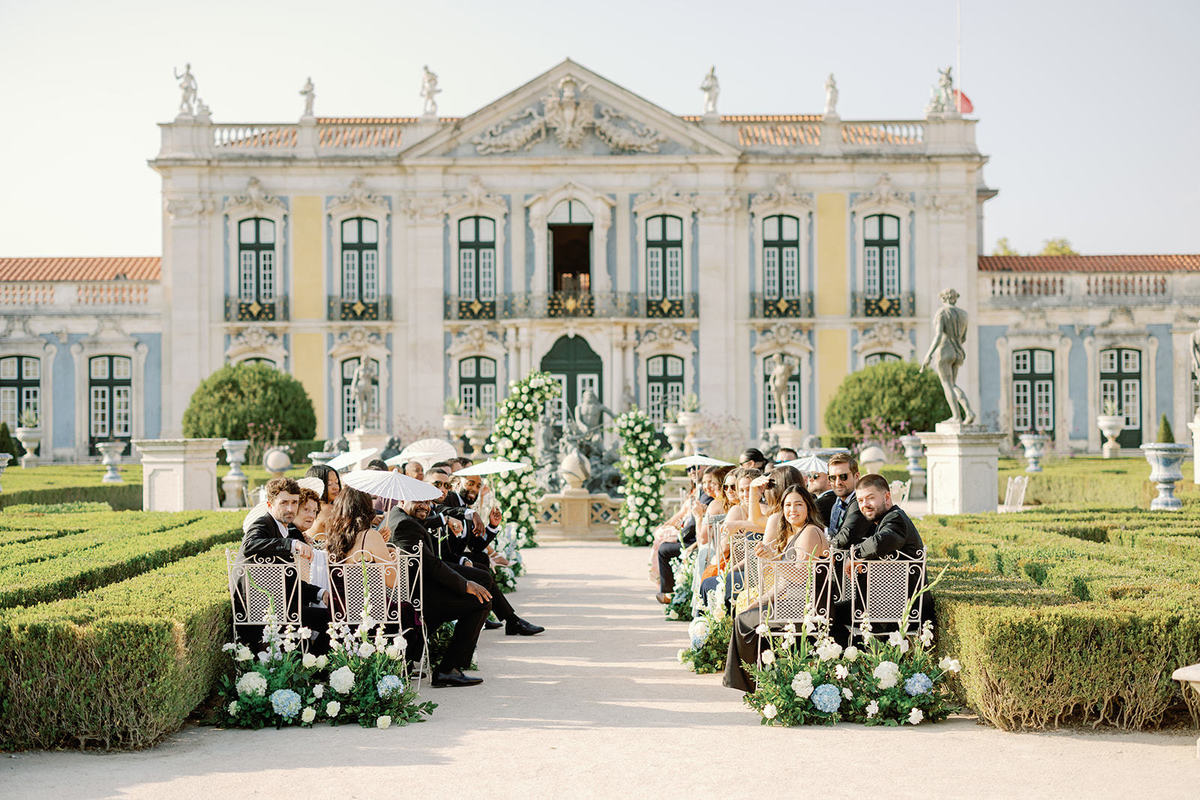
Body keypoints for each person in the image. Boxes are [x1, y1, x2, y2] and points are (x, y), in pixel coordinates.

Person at [724, 485, 829, 692]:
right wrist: (760, 600)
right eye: (788, 505)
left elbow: (801, 577)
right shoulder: (793, 535)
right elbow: (784, 584)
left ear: (808, 507)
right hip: (791, 602)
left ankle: (754, 683)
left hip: (807, 607)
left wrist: (774, 558)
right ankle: (759, 681)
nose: (793, 510)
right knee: (745, 615)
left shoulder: (810, 532)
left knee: (745, 623)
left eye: (798, 504)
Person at [422, 471, 544, 636]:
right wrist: (470, 514)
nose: (474, 489)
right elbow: (445, 511)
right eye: (470, 483)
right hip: (437, 565)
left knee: (481, 560)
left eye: (478, 485)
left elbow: (475, 544)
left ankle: (503, 618)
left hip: (450, 558)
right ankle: (508, 619)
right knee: (482, 573)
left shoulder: (464, 507)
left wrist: (492, 526)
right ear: (457, 485)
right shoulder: (449, 502)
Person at [384, 498, 490, 687]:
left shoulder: (397, 516)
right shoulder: (405, 524)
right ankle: (449, 669)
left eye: (427, 502)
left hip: (417, 590)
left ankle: (412, 654)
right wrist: (465, 585)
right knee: (480, 602)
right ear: (402, 499)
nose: (425, 506)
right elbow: (431, 565)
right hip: (416, 597)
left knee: (481, 581)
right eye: (419, 501)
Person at [235, 477, 331, 653]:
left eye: (294, 503)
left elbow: (288, 582)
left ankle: (313, 666)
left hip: (278, 606)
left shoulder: (282, 529)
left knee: (332, 615)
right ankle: (315, 667)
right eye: (284, 502)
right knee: (332, 619)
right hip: (259, 613)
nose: (290, 508)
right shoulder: (263, 524)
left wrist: (319, 592)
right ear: (270, 505)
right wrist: (292, 545)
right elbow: (249, 545)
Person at [655, 464, 711, 603]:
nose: (692, 471)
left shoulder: (708, 498)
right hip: (694, 538)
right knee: (662, 541)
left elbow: (702, 535)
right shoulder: (697, 493)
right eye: (705, 483)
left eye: (695, 468)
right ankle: (667, 588)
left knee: (664, 549)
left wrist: (688, 542)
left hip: (698, 542)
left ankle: (669, 592)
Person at [826, 454, 872, 549]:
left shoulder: (861, 502)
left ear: (856, 476)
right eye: (833, 478)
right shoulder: (837, 502)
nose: (837, 482)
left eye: (843, 476)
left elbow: (846, 535)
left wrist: (824, 547)